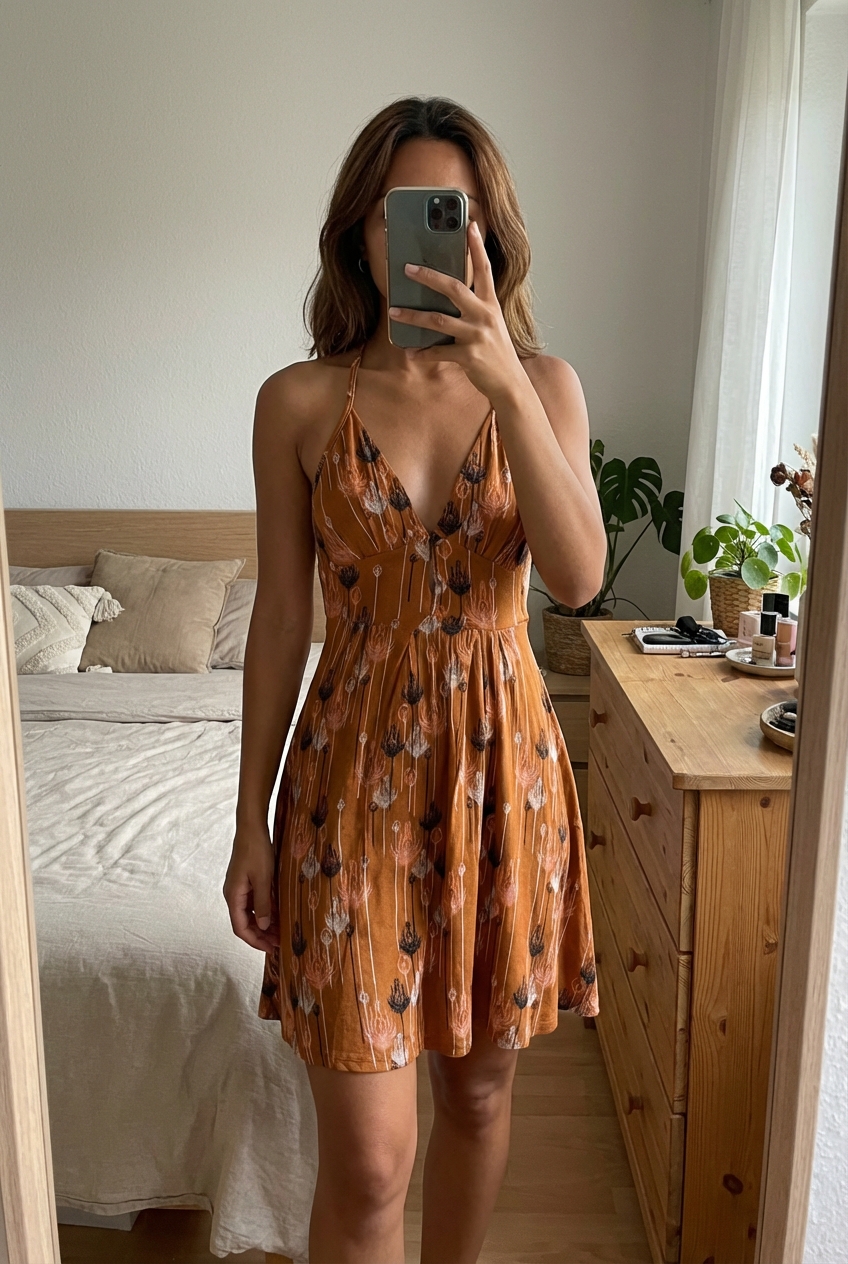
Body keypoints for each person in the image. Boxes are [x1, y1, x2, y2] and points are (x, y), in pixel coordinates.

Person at [223, 96, 607, 1264]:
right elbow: (280, 619)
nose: (437, 235)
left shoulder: (545, 386)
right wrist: (248, 820)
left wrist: (503, 382)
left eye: (459, 211)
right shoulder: (298, 401)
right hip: (349, 789)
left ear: (490, 232)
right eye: (405, 212)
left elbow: (578, 577)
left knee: (479, 1098)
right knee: (371, 1160)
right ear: (360, 232)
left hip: (504, 777)